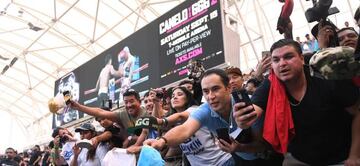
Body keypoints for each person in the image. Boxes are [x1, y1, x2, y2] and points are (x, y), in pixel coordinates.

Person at [248, 39, 360, 165]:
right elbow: (253, 110)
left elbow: (357, 113)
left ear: (301, 59)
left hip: (342, 157)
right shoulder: (271, 84)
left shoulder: (325, 77)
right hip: (300, 159)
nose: (282, 64)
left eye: (288, 57)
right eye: (276, 60)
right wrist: (243, 117)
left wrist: (354, 155)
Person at [144, 69, 283, 165]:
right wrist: (162, 141)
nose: (210, 96)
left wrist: (238, 148)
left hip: (269, 158)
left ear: (228, 88)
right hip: (240, 160)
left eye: (215, 89)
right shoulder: (204, 110)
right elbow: (185, 129)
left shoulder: (248, 105)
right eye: (206, 91)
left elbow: (262, 145)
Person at [157, 86, 234, 165]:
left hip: (222, 162)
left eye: (180, 94)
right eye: (173, 96)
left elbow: (180, 116)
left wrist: (162, 121)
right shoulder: (172, 120)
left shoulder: (195, 110)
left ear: (187, 98)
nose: (175, 97)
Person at [71, 88, 147, 145]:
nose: (129, 105)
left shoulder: (147, 113)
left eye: (131, 101)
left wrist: (130, 139)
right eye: (126, 102)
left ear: (139, 102)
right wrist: (78, 107)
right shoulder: (122, 114)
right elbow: (99, 112)